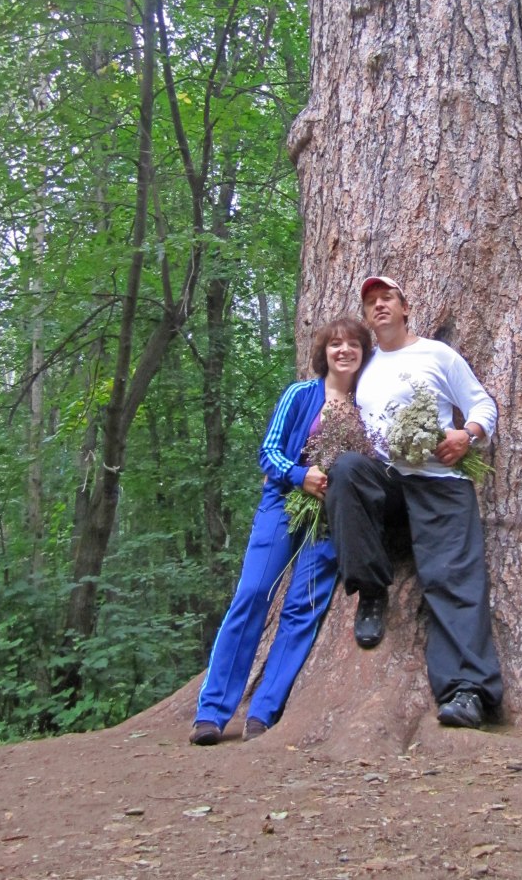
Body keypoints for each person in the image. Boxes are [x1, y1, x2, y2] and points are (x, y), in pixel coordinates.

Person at [326, 276, 503, 730]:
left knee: (452, 579)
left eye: (387, 298)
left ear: (406, 308)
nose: (379, 306)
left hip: (438, 481)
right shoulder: (364, 368)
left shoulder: (437, 355)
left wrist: (468, 435)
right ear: (367, 317)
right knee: (345, 469)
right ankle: (369, 589)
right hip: (387, 484)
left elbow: (483, 404)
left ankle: (468, 692)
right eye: (370, 302)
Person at [190, 315, 372, 745]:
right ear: (323, 353)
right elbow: (269, 450)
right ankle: (212, 711)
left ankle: (264, 712)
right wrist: (299, 474)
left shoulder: (368, 403)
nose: (343, 351)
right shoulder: (301, 394)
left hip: (331, 517)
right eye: (335, 345)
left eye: (353, 346)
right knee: (253, 593)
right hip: (283, 502)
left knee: (302, 607)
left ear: (364, 355)